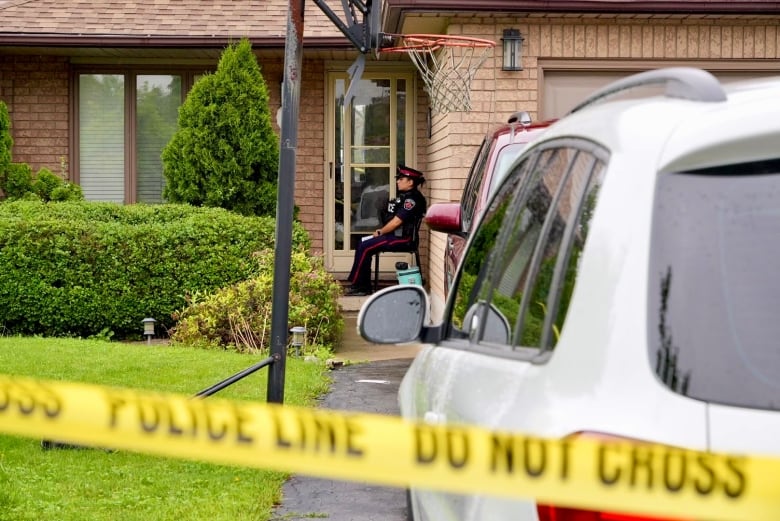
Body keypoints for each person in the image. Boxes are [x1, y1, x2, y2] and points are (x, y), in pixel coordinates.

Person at [345, 165, 427, 296]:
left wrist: (381, 232)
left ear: (410, 182)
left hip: (403, 240)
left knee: (366, 246)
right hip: (394, 236)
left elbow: (396, 222)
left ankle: (360, 286)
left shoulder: (412, 200)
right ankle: (361, 285)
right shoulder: (406, 196)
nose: (397, 181)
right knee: (362, 242)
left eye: (401, 179)